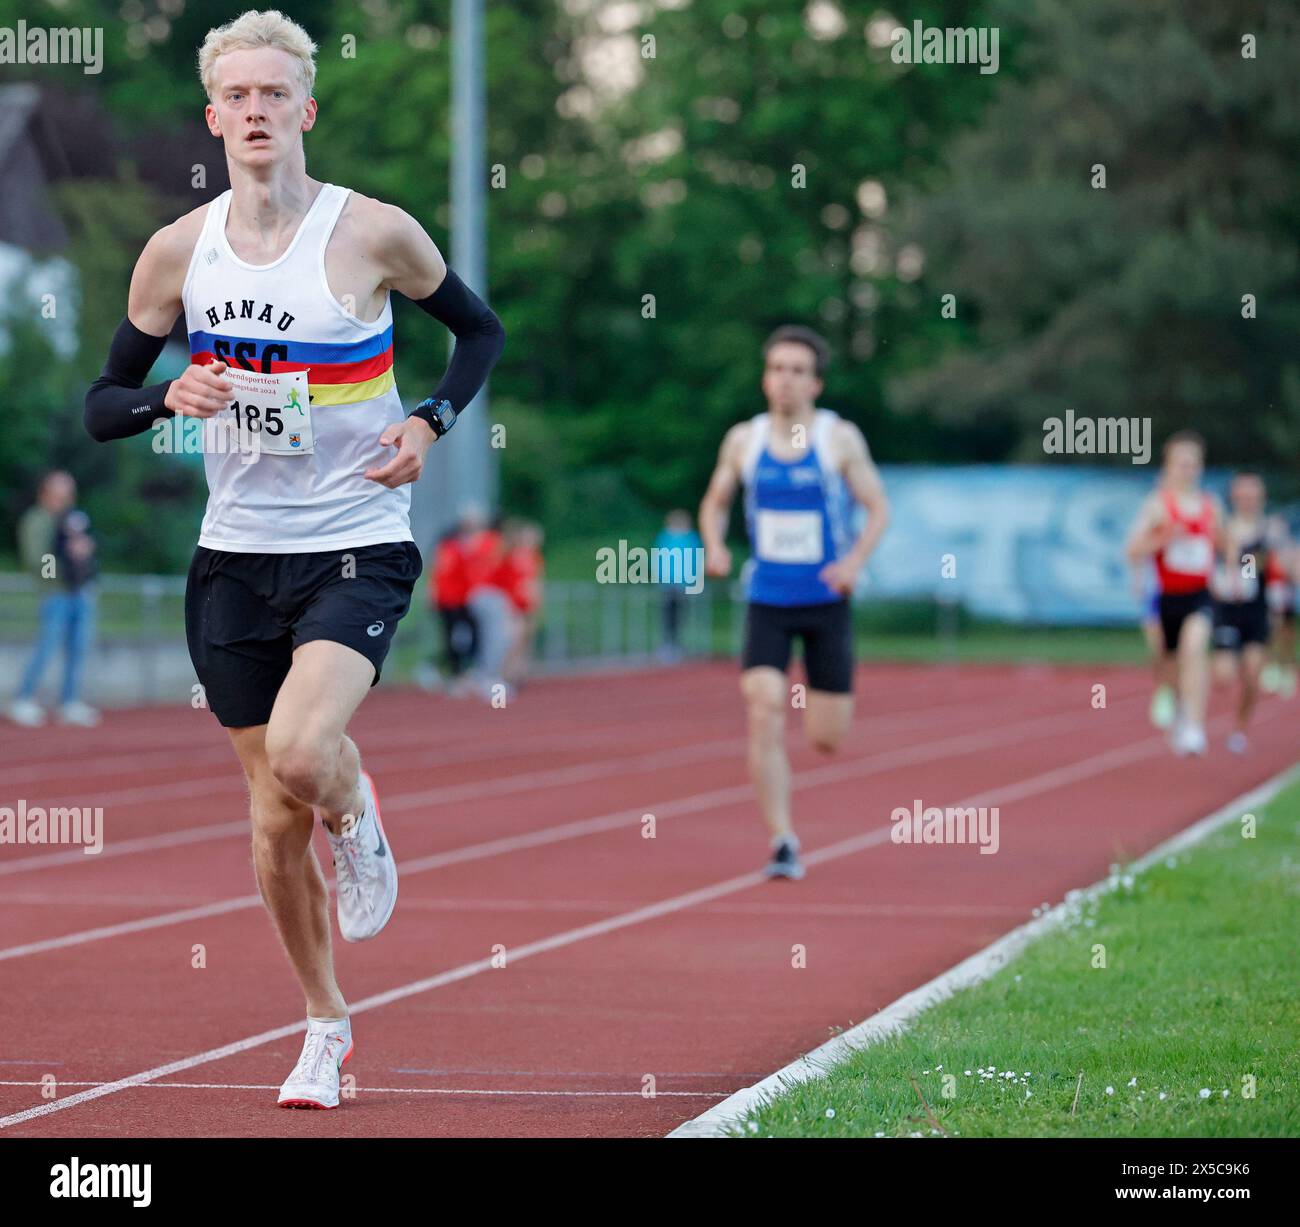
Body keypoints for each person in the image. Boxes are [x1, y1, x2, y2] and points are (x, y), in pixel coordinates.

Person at [81, 11, 504, 1109]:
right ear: (213, 115)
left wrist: (430, 425)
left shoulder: (373, 234)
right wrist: (164, 394)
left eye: (277, 94)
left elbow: (480, 332)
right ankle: (324, 1025)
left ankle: (359, 822)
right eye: (239, 96)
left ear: (305, 109)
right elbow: (99, 406)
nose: (258, 112)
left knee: (309, 758)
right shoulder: (180, 251)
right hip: (233, 560)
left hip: (354, 543)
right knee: (271, 829)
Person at [698, 325, 889, 880]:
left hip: (827, 601)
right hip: (767, 600)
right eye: (777, 368)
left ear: (816, 383)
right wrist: (714, 545)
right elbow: (714, 503)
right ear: (765, 378)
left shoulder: (839, 439)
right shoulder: (744, 440)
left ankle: (821, 726)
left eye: (798, 371)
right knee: (764, 708)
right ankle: (782, 838)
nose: (785, 380)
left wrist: (854, 562)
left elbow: (878, 507)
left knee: (826, 738)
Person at [1125, 432, 1223, 757]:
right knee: (1168, 665)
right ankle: (1181, 708)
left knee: (1193, 650)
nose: (1188, 470)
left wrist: (1236, 571)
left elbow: (1227, 545)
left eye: (1193, 464)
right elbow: (1132, 549)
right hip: (1165, 597)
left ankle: (1195, 725)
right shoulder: (1157, 505)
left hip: (1199, 594)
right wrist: (1164, 537)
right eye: (1181, 464)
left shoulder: (1211, 506)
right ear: (1169, 466)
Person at [8, 471, 101, 727]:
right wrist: (65, 569)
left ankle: (69, 702)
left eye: (69, 493)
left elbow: (88, 550)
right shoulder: (37, 520)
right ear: (46, 493)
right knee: (47, 646)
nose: (67, 498)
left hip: (80, 591)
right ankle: (23, 699)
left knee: (78, 648)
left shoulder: (74, 518)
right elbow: (37, 560)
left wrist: (84, 556)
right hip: (56, 593)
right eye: (61, 493)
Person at [498, 519, 545, 686]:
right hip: (515, 604)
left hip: (528, 604)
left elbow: (536, 580)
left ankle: (519, 672)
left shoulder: (535, 557)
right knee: (515, 640)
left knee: (526, 640)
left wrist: (537, 599)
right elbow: (504, 580)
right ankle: (505, 673)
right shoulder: (513, 555)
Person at [653, 509, 702, 663]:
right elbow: (658, 559)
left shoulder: (691, 538)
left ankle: (678, 645)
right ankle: (668, 645)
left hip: (684, 585)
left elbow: (696, 560)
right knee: (667, 616)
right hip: (667, 585)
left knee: (681, 616)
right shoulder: (664, 537)